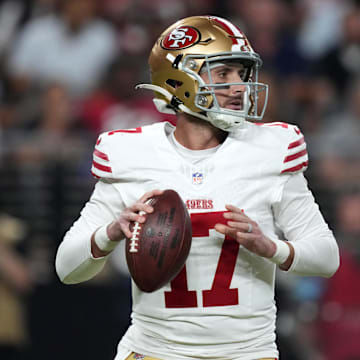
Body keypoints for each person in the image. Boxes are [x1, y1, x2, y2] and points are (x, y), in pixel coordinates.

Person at [55, 15, 340, 360]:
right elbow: (66, 269)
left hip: (247, 352)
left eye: (242, 73)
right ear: (179, 80)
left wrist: (271, 247)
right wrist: (111, 232)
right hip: (154, 351)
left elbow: (326, 256)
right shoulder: (131, 154)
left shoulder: (270, 150)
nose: (238, 87)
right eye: (223, 74)